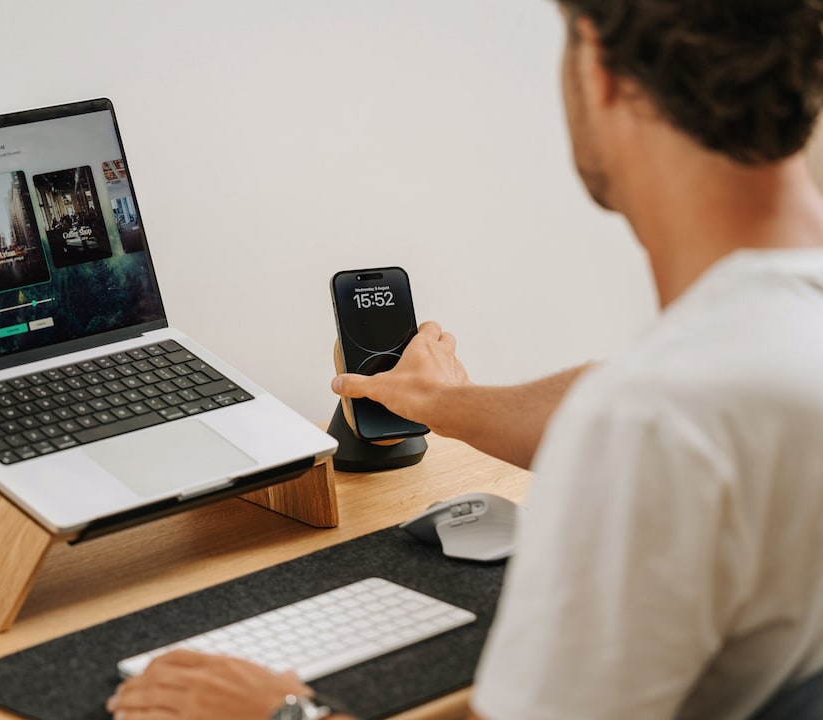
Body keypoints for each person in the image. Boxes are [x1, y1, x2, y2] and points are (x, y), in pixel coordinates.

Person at [107, 1, 823, 717]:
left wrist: (279, 712)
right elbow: (656, 401)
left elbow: (656, 414)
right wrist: (451, 405)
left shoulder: (660, 417)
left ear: (599, 70)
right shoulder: (748, 360)